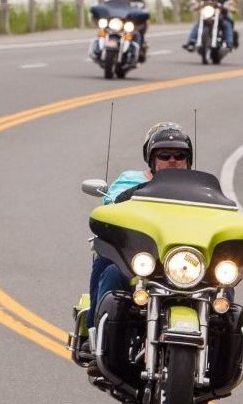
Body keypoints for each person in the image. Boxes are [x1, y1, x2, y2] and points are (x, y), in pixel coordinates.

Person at [78, 122, 194, 353]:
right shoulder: (129, 181)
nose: (172, 160)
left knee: (225, 288)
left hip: (186, 264)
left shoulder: (202, 190)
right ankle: (94, 335)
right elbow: (109, 208)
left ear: (188, 160)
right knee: (108, 267)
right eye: (164, 155)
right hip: (140, 258)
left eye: (180, 155)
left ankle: (223, 354)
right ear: (151, 158)